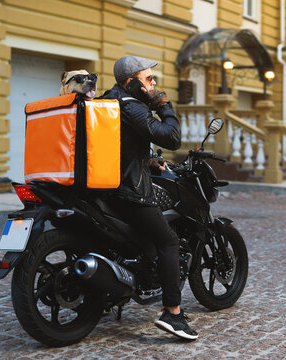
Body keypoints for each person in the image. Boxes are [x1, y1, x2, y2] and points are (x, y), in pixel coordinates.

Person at [99, 56, 198, 340]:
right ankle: (173, 314)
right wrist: (165, 106)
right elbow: (172, 137)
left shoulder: (108, 101)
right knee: (168, 241)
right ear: (132, 83)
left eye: (154, 80)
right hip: (129, 191)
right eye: (148, 80)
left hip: (104, 187)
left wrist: (150, 160)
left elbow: (120, 144)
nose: (154, 84)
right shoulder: (131, 107)